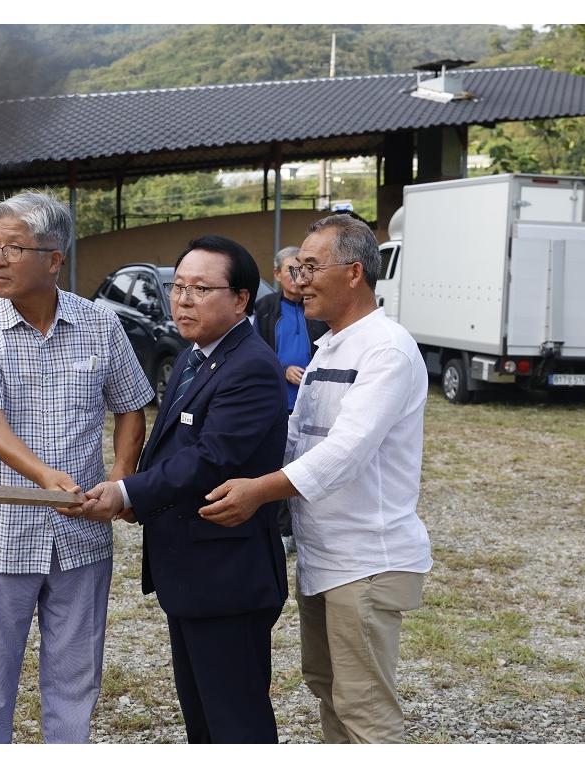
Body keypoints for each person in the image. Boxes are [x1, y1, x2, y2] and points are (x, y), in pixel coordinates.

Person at [198, 214, 432, 744]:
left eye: (310, 267)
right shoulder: (329, 346)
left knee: (364, 705)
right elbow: (297, 437)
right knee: (329, 687)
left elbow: (344, 453)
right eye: (297, 268)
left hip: (367, 560)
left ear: (353, 273)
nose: (298, 281)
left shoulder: (386, 349)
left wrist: (259, 490)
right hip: (325, 557)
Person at [0, 191, 153, 743]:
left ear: (54, 259)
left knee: (75, 676)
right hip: (2, 536)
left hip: (82, 535)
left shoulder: (100, 325)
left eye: (14, 248)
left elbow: (132, 406)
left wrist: (118, 478)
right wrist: (48, 480)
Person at [73, 235, 288, 743]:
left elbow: (211, 459)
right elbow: (173, 445)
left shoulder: (251, 367)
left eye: (201, 288)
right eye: (178, 287)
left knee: (236, 724)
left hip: (227, 575)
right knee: (202, 719)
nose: (183, 299)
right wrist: (139, 490)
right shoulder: (198, 355)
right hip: (193, 573)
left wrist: (129, 492)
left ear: (241, 299)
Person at [253, 245, 328, 554]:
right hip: (280, 404)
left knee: (312, 465)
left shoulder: (317, 309)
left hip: (314, 405)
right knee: (279, 468)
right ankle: (284, 531)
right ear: (276, 274)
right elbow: (255, 354)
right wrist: (282, 370)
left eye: (303, 270)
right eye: (292, 271)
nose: (299, 277)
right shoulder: (266, 308)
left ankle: (308, 527)